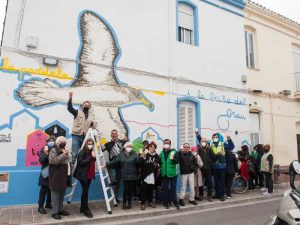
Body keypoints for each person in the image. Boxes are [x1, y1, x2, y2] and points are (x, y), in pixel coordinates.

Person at [106, 142, 140, 210]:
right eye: (128, 146)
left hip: (133, 174)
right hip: (125, 174)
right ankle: (124, 203)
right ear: (125, 147)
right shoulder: (121, 154)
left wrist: (141, 157)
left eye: (130, 147)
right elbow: (115, 160)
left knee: (130, 190)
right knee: (125, 190)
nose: (129, 148)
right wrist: (107, 164)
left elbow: (138, 163)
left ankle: (129, 203)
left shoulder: (135, 154)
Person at [67, 92, 96, 163]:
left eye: (88, 105)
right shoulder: (77, 112)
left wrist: (94, 126)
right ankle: (73, 166)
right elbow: (70, 108)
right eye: (85, 104)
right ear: (82, 105)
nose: (87, 105)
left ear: (89, 107)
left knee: (85, 152)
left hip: (85, 136)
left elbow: (91, 124)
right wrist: (70, 98)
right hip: (76, 135)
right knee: (74, 153)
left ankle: (83, 167)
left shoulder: (91, 116)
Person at [49, 136, 71, 220]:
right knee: (55, 195)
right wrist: (64, 155)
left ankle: (60, 209)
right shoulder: (53, 150)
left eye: (64, 141)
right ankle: (54, 212)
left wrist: (68, 154)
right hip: (56, 175)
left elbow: (69, 160)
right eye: (61, 141)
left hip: (64, 175)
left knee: (62, 193)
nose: (63, 143)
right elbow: (54, 161)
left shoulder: (65, 150)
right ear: (57, 143)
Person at [73, 138, 96, 218]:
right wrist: (91, 157)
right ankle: (86, 210)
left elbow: (93, 161)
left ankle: (82, 208)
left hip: (89, 175)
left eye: (92, 144)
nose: (90, 145)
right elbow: (80, 162)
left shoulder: (91, 151)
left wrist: (94, 157)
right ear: (86, 144)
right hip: (83, 175)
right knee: (85, 192)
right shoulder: (82, 151)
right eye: (89, 143)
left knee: (85, 192)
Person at [103, 129, 126, 203]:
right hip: (113, 164)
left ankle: (115, 197)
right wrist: (100, 142)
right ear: (111, 135)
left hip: (121, 165)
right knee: (114, 180)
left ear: (117, 134)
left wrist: (126, 139)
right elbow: (101, 149)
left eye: (115, 133)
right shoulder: (108, 144)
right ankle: (113, 182)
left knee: (118, 182)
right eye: (113, 133)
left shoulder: (122, 142)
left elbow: (128, 148)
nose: (114, 134)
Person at [210, 133, 235, 201]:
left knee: (222, 181)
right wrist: (197, 135)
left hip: (222, 166)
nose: (215, 138)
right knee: (216, 181)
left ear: (218, 138)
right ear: (212, 138)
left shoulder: (222, 144)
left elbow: (231, 147)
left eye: (216, 137)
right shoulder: (210, 145)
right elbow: (202, 143)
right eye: (214, 137)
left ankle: (222, 195)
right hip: (214, 166)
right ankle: (217, 194)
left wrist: (229, 139)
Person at [160, 139, 180, 209]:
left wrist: (173, 159)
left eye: (168, 143)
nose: (166, 144)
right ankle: (166, 202)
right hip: (164, 173)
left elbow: (177, 161)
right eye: (165, 143)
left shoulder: (174, 152)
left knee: (173, 188)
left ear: (170, 145)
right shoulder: (161, 153)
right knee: (165, 189)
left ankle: (175, 202)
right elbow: (159, 162)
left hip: (172, 173)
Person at [38, 136, 56, 214]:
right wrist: (46, 154)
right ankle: (40, 206)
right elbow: (41, 160)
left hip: (54, 172)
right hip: (46, 172)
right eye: (50, 140)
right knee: (44, 190)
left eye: (53, 140)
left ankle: (48, 204)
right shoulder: (43, 149)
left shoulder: (56, 149)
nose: (51, 142)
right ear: (47, 142)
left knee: (51, 190)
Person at [140, 141, 160, 210]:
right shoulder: (145, 154)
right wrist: (143, 157)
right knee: (143, 189)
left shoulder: (156, 155)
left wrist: (156, 165)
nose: (152, 148)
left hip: (152, 175)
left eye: (153, 147)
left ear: (155, 148)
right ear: (148, 148)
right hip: (145, 174)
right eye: (150, 147)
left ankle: (150, 202)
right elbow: (140, 163)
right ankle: (143, 203)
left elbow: (158, 164)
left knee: (151, 189)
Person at [196, 135, 213, 202]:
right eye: (202, 141)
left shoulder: (209, 148)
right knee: (200, 182)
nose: (203, 142)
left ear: (206, 142)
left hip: (208, 168)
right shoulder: (198, 148)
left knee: (209, 182)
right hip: (200, 168)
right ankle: (201, 195)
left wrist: (218, 155)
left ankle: (209, 196)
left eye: (204, 141)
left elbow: (213, 157)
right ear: (200, 142)